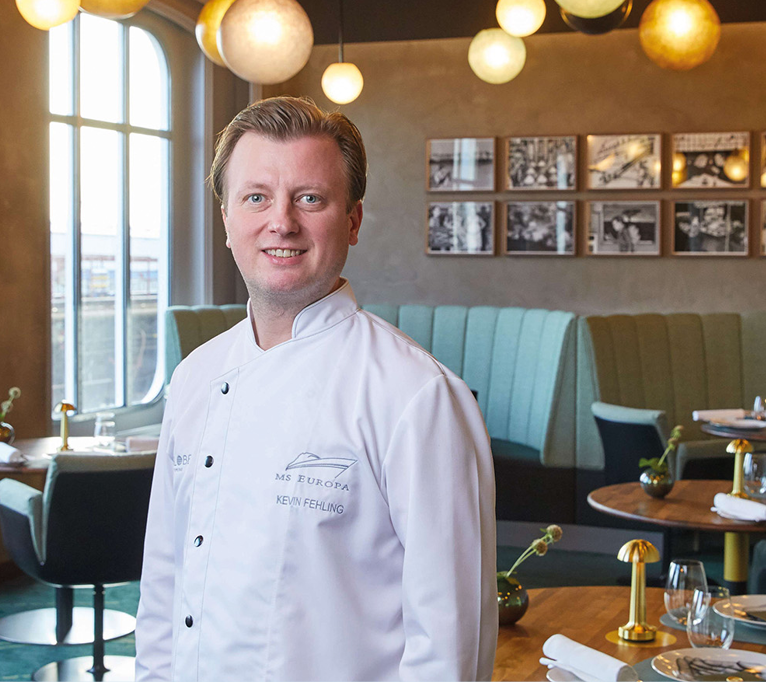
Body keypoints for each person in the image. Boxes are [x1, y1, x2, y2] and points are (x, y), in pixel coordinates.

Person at [134, 96, 496, 682]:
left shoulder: (417, 395)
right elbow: (163, 583)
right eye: (256, 197)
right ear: (226, 218)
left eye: (310, 198)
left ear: (352, 220)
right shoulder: (195, 376)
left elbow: (449, 640)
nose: (282, 222)